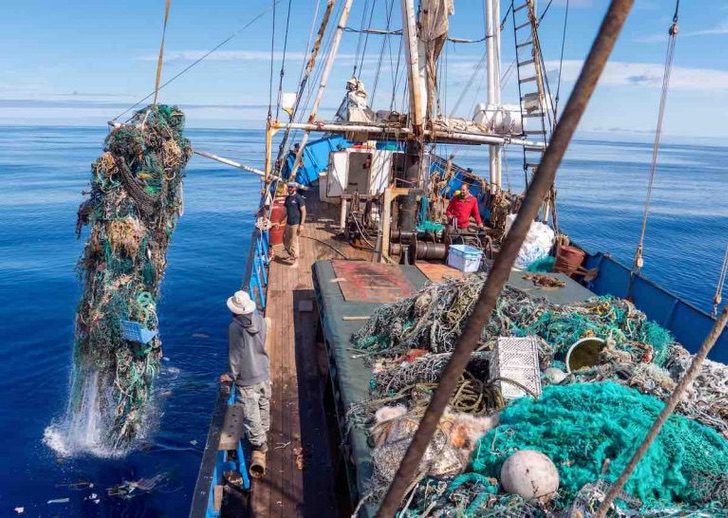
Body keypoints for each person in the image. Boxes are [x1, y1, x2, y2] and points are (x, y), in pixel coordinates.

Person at [220, 290, 270, 477]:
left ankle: (260, 445)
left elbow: (235, 355)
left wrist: (230, 376)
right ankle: (265, 430)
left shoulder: (235, 327)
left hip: (247, 378)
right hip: (263, 371)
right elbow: (261, 342)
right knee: (264, 403)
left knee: (250, 415)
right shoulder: (260, 320)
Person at [279, 182, 306, 266]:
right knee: (285, 240)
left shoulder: (298, 198)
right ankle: (291, 255)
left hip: (296, 223)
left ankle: (296, 261)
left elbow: (304, 211)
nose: (289, 188)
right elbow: (286, 212)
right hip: (288, 223)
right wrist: (279, 221)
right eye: (288, 187)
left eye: (291, 187)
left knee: (294, 242)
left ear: (295, 188)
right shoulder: (287, 198)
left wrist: (301, 225)